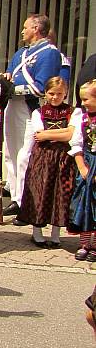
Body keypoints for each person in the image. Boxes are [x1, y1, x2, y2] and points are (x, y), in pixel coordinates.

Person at [0, 15, 62, 218]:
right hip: (12, 106)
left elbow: (41, 87)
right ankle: (16, 198)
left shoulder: (49, 53)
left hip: (29, 108)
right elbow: (9, 75)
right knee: (11, 154)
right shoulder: (20, 53)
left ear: (36, 28)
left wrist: (12, 88)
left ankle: (26, 202)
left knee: (25, 156)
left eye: (25, 27)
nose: (22, 31)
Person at [15, 77, 79, 248]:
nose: (55, 97)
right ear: (45, 93)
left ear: (65, 93)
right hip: (42, 158)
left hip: (63, 159)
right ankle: (37, 233)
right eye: (51, 93)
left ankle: (56, 234)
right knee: (40, 192)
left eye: (59, 94)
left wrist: (55, 134)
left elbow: (71, 136)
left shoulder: (73, 112)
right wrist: (64, 132)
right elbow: (39, 134)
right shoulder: (39, 112)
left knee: (60, 194)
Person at [69, 80, 96, 261]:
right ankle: (84, 243)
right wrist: (82, 167)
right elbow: (77, 144)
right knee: (84, 204)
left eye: (86, 99)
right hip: (87, 163)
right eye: (82, 99)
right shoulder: (82, 118)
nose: (83, 103)